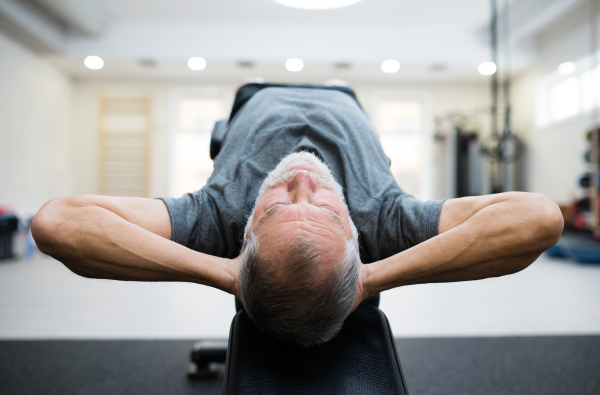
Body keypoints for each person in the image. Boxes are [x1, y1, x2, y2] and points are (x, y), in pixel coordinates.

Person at [31, 83, 564, 347]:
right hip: (343, 97)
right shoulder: (386, 219)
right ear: (356, 234)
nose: (303, 183)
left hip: (256, 97)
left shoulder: (215, 218)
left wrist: (221, 273)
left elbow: (56, 222)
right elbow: (538, 218)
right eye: (329, 214)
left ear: (243, 238)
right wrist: (372, 278)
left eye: (276, 208)